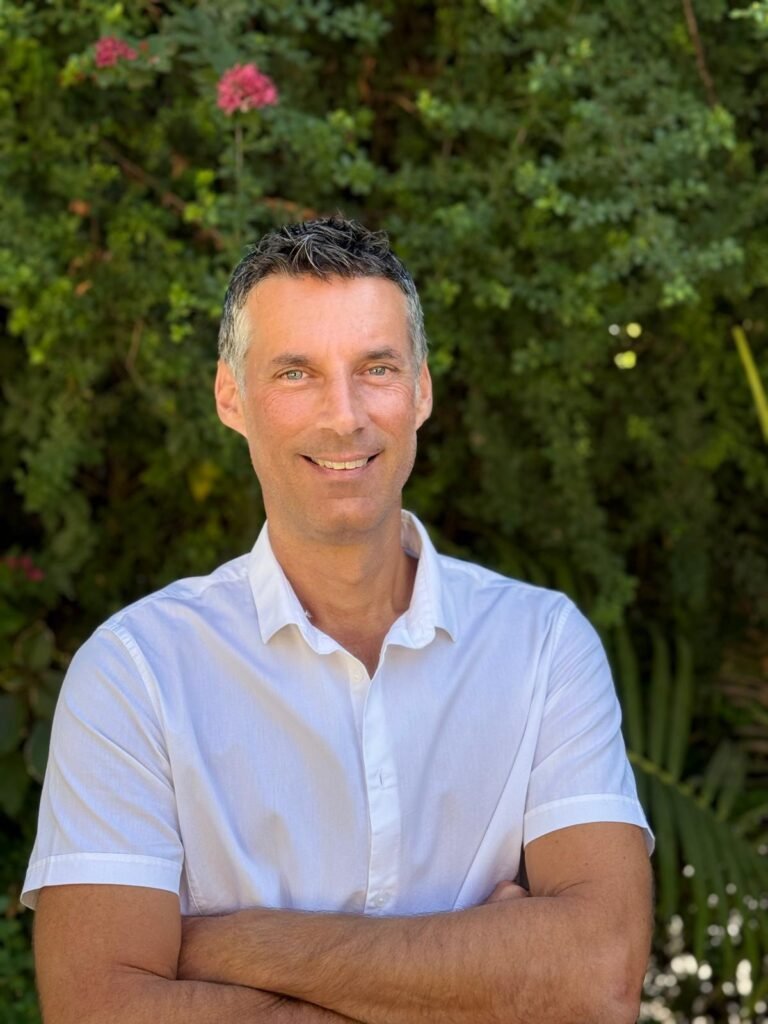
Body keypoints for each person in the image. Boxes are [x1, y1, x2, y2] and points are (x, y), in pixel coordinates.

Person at [24, 217, 654, 1024]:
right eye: (296, 373)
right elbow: (99, 1008)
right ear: (230, 397)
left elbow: (598, 978)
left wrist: (224, 944)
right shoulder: (135, 672)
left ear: (421, 391)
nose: (344, 416)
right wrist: (487, 983)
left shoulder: (543, 646)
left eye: (376, 369)